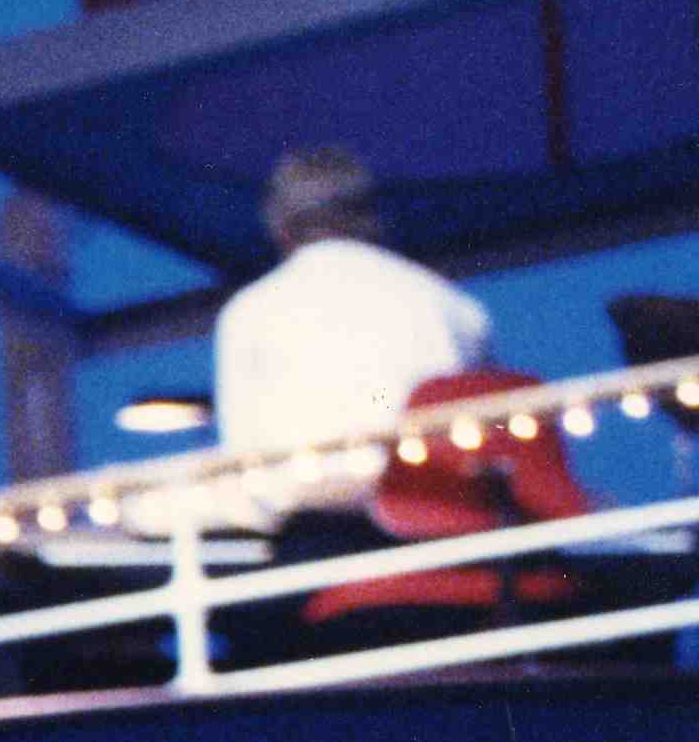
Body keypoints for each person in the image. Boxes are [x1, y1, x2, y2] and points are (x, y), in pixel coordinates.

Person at [207, 147, 494, 530]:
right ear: (372, 218)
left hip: (321, 531)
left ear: (280, 225)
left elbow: (246, 460)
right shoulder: (450, 303)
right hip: (456, 517)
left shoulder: (247, 314)